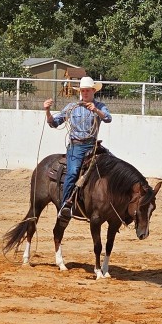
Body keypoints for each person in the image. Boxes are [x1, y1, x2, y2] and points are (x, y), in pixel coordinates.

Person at [43, 76, 112, 219]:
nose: (85, 93)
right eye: (83, 90)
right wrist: (47, 110)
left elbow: (108, 118)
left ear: (93, 90)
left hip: (93, 146)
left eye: (87, 90)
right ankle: (65, 205)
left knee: (114, 166)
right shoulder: (72, 107)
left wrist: (96, 111)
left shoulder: (99, 106)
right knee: (73, 172)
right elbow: (54, 123)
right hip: (77, 146)